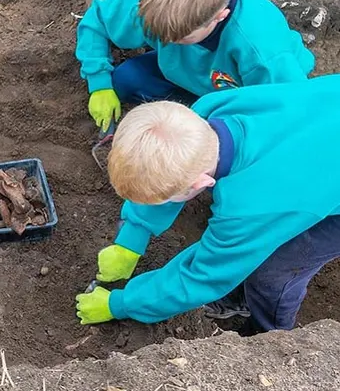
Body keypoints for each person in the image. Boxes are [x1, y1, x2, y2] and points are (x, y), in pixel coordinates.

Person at [75, 77, 340, 334]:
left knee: (276, 268)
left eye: (167, 198)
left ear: (202, 182)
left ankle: (270, 336)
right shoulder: (206, 113)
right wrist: (131, 239)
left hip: (303, 179)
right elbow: (166, 171)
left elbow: (203, 276)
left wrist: (120, 304)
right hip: (323, 126)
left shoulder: (251, 206)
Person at [75, 0, 314, 132]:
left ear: (219, 16)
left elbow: (287, 111)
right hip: (187, 75)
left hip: (242, 93)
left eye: (180, 37)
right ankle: (195, 108)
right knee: (126, 80)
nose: (167, 41)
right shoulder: (158, 3)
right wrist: (99, 84)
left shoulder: (261, 51)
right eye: (160, 34)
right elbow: (97, 20)